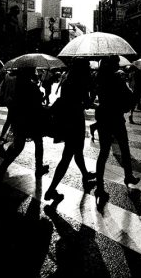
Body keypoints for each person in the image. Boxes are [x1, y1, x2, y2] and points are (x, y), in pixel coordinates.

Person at [44, 58, 96, 203]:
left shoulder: (68, 78)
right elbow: (86, 104)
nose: (89, 69)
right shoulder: (81, 82)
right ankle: (51, 190)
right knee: (67, 156)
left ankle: (85, 176)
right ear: (83, 69)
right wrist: (93, 93)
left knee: (77, 152)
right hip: (76, 121)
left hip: (66, 120)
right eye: (87, 66)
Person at [94, 55, 139, 211]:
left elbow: (95, 96)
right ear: (113, 64)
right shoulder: (117, 78)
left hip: (103, 116)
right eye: (117, 62)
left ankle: (99, 186)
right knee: (124, 147)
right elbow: (129, 96)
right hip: (115, 117)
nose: (119, 64)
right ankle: (128, 175)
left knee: (104, 152)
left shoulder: (99, 77)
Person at [0, 67, 49, 178]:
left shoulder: (19, 84)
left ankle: (3, 167)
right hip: (31, 120)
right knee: (37, 143)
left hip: (19, 119)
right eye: (33, 70)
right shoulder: (30, 85)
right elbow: (35, 102)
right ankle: (38, 167)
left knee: (19, 144)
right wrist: (40, 95)